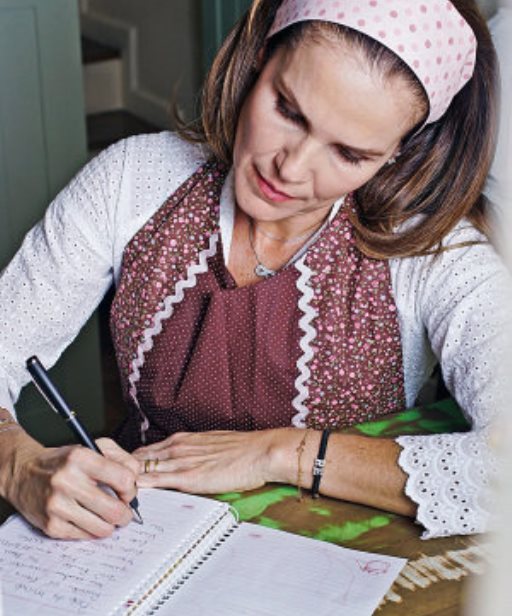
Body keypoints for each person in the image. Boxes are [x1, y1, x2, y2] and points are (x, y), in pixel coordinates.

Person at [0, 0, 509, 541]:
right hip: (133, 537)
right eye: (288, 110)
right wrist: (18, 466)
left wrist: (281, 453)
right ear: (259, 58)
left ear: (397, 154)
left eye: (348, 153)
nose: (290, 168)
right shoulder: (133, 179)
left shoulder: (434, 253)